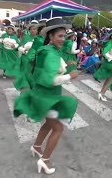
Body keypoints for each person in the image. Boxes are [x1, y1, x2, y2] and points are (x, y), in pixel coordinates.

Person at [14, 18, 78, 174]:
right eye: (60, 36)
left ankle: (36, 147)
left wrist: (67, 66)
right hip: (47, 97)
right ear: (51, 37)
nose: (63, 39)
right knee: (58, 128)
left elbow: (50, 70)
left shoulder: (50, 50)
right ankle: (45, 160)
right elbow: (51, 80)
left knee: (49, 124)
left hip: (46, 96)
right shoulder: (50, 53)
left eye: (64, 36)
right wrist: (71, 76)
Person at [14, 20, 38, 92]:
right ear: (29, 30)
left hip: (36, 60)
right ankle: (24, 90)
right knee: (27, 74)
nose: (34, 30)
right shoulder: (26, 38)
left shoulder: (40, 38)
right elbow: (19, 47)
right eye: (32, 29)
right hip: (26, 59)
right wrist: (25, 50)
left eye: (36, 29)